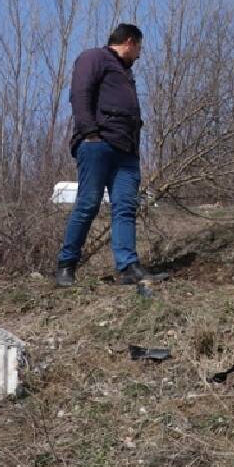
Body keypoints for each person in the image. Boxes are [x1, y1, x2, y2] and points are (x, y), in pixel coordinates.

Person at [55, 23, 162, 287]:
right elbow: (80, 93)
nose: (139, 55)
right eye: (139, 49)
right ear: (130, 41)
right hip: (97, 144)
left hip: (126, 152)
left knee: (125, 206)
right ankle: (66, 266)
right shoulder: (94, 57)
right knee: (88, 204)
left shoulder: (124, 72)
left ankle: (128, 267)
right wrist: (90, 131)